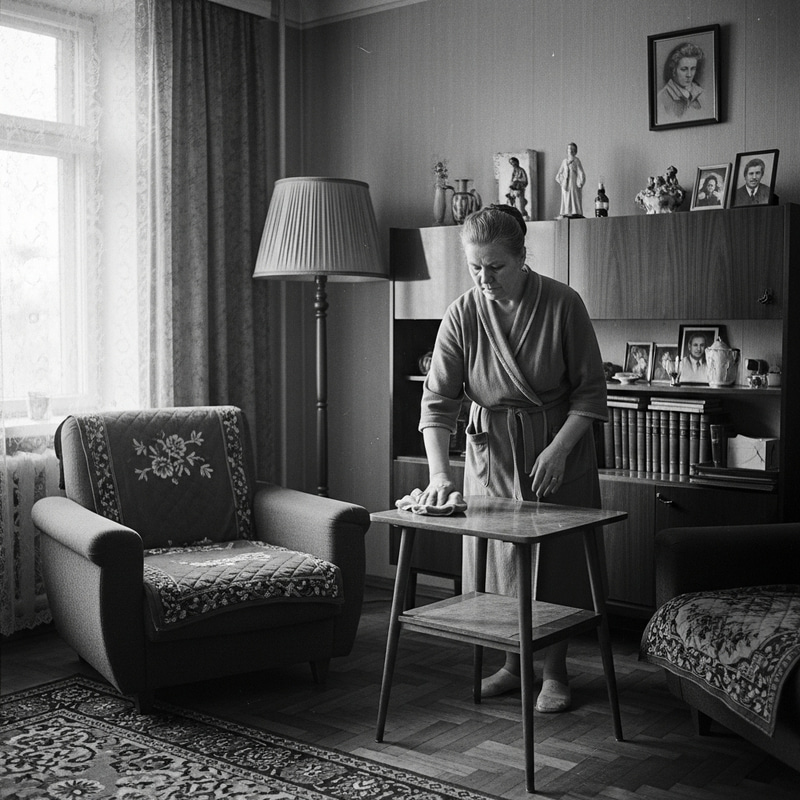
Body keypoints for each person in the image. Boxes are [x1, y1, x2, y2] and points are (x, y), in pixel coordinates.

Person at [414, 204, 608, 713]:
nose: (484, 278)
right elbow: (437, 404)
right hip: (492, 453)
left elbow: (591, 394)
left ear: (522, 257)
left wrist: (559, 451)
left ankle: (557, 671)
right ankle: (511, 664)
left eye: (495, 267)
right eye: (474, 267)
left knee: (559, 563)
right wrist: (440, 474)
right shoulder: (462, 313)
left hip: (557, 446)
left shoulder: (564, 304)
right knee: (498, 562)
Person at [657, 42, 705, 122]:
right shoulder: (661, 98)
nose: (689, 75)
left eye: (693, 69)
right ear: (674, 70)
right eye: (684, 69)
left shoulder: (702, 94)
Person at [555, 142, 585, 218]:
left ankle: (575, 211)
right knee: (566, 197)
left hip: (573, 180)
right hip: (566, 182)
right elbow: (558, 174)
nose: (570, 150)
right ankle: (566, 211)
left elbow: (581, 172)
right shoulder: (564, 161)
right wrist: (562, 181)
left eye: (572, 149)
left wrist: (581, 182)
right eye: (569, 148)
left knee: (574, 196)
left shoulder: (576, 160)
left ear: (575, 151)